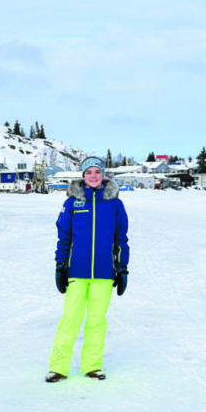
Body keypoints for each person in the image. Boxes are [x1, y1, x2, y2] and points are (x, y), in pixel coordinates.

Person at [46, 157, 129, 382]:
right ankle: (58, 367)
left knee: (96, 321)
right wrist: (60, 265)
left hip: (104, 273)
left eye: (97, 171)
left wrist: (122, 268)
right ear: (83, 175)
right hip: (76, 272)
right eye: (89, 172)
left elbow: (121, 238)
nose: (93, 175)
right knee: (70, 319)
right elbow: (64, 237)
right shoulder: (72, 203)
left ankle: (92, 365)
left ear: (103, 174)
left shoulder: (115, 204)